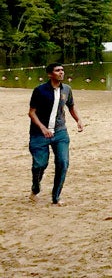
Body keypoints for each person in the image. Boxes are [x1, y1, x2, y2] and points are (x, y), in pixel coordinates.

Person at [27, 63, 84, 205]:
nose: (61, 73)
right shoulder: (40, 90)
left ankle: (56, 196)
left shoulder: (67, 89)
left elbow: (71, 106)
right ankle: (36, 187)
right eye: (58, 70)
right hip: (39, 134)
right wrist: (43, 128)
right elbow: (31, 113)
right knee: (39, 165)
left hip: (60, 132)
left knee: (63, 163)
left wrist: (78, 120)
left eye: (62, 70)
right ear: (50, 74)